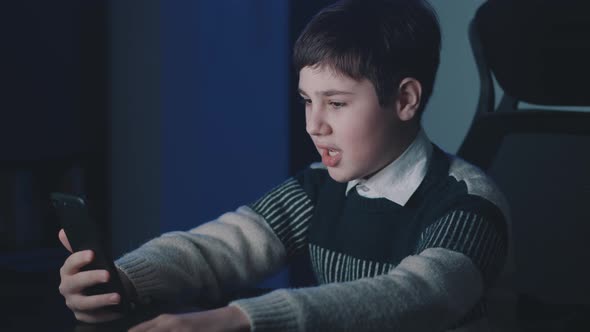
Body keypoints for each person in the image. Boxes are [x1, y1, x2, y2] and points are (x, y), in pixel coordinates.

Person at [58, 0, 510, 331]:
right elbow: (221, 246)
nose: (315, 125)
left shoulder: (468, 205)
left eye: (336, 103)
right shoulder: (319, 187)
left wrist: (240, 318)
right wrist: (123, 278)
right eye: (306, 101)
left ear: (405, 99)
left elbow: (417, 297)